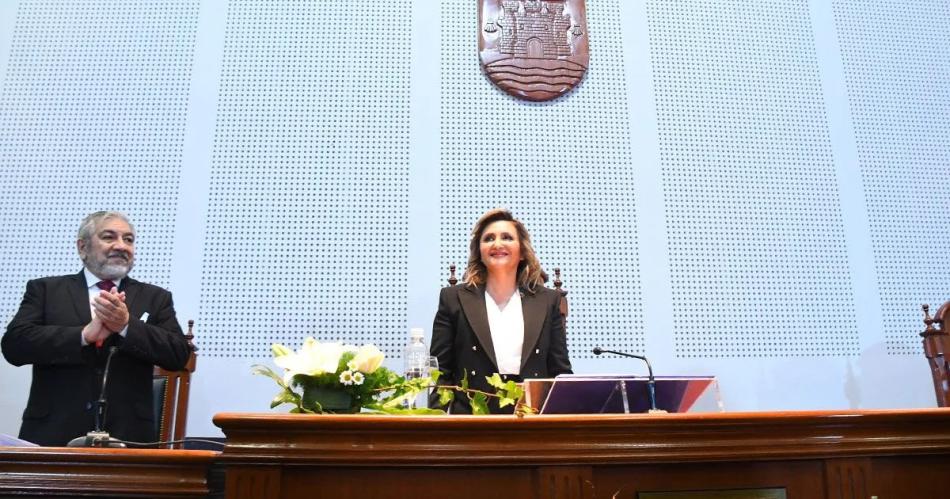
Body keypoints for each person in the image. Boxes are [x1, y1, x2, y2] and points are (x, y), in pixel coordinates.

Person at [2, 211, 191, 446]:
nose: (121, 246)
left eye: (129, 239)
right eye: (109, 237)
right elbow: (14, 346)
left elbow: (178, 354)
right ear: (83, 247)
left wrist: (125, 325)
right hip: (53, 436)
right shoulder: (46, 290)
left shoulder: (155, 298)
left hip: (129, 438)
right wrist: (83, 335)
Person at [430, 208, 572, 413]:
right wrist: (438, 428)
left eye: (507, 237)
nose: (497, 244)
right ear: (479, 251)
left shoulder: (548, 300)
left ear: (522, 251)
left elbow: (560, 372)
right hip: (471, 421)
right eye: (488, 239)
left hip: (533, 421)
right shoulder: (453, 298)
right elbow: (440, 372)